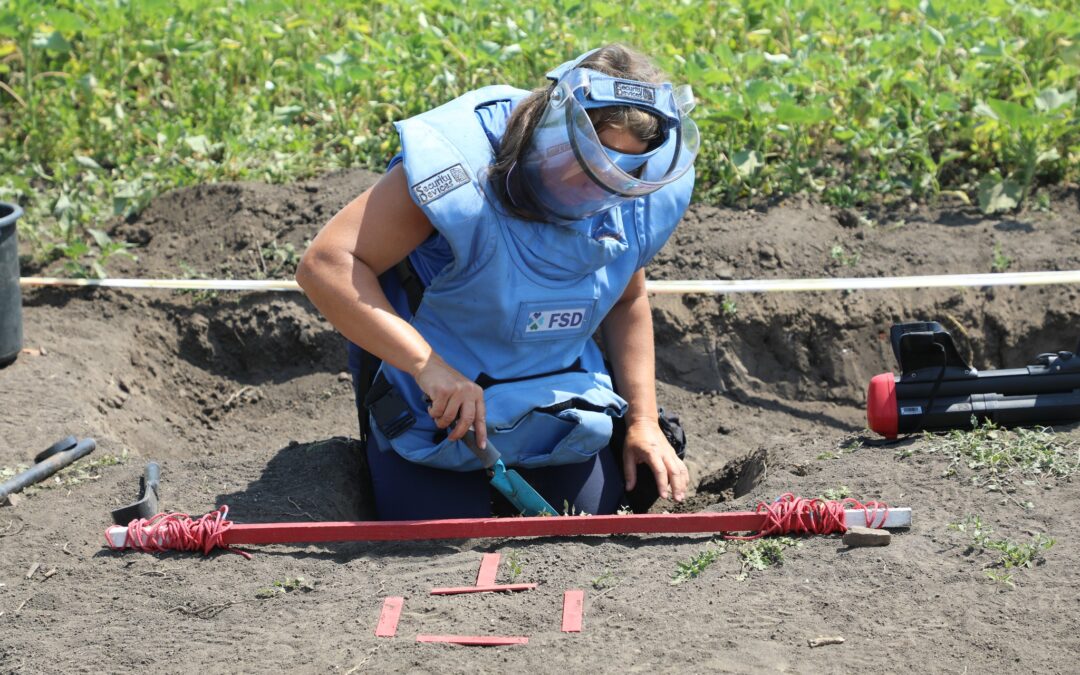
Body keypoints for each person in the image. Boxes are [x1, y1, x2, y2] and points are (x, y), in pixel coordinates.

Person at [296, 44, 698, 520]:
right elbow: (326, 264)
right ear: (550, 130)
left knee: (588, 516)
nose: (597, 192)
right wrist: (428, 367)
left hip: (560, 411)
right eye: (585, 166)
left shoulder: (632, 196)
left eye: (621, 175)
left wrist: (643, 421)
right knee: (430, 531)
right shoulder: (459, 172)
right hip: (437, 414)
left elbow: (626, 298)